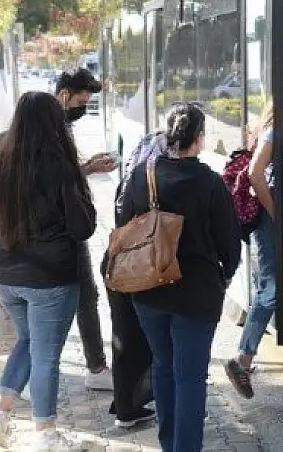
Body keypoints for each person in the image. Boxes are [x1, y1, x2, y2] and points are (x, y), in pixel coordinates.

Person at [119, 103, 242, 452]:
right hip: (197, 296)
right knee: (191, 377)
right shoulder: (210, 183)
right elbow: (229, 245)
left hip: (148, 291)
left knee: (164, 366)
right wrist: (223, 280)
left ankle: (169, 443)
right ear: (199, 139)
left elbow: (123, 231)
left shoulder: (143, 175)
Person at [0, 91, 96, 451]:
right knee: (46, 356)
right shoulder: (60, 166)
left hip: (8, 277)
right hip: (51, 280)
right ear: (53, 122)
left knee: (28, 342)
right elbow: (83, 228)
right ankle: (45, 434)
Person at [54, 68, 117, 391]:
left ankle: (96, 366)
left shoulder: (60, 125)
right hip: (61, 228)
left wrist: (88, 167)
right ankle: (95, 368)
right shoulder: (51, 128)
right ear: (64, 95)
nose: (82, 108)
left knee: (84, 296)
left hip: (67, 226)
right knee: (79, 297)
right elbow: (53, 180)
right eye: (81, 100)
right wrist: (89, 168)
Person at [100, 131, 166, 429]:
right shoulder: (152, 182)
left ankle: (126, 406)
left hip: (118, 266)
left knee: (124, 338)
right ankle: (143, 404)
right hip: (141, 268)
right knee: (147, 340)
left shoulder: (127, 180)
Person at [224, 100, 277, 400]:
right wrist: (276, 215)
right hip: (268, 219)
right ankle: (242, 360)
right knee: (271, 290)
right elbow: (256, 174)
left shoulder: (270, 129)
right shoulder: (275, 132)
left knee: (265, 287)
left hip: (266, 217)